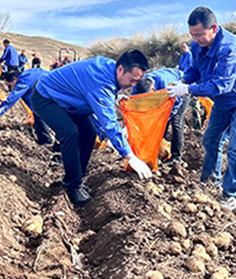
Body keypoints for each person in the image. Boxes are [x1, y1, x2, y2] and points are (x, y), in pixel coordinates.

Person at [166, 6, 236, 210]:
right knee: (211, 139)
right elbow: (196, 70)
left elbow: (221, 85)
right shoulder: (197, 46)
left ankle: (231, 195)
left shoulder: (229, 48)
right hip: (224, 98)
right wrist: (183, 80)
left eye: (200, 34)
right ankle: (210, 182)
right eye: (192, 34)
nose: (196, 39)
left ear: (213, 28)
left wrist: (188, 89)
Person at [31, 50, 153, 206]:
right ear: (120, 69)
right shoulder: (101, 82)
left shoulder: (111, 69)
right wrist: (129, 156)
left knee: (89, 134)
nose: (133, 85)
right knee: (69, 133)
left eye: (137, 81)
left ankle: (77, 178)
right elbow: (109, 123)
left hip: (70, 100)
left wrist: (114, 98)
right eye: (132, 80)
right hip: (46, 97)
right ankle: (73, 185)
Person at [132, 68, 188, 163]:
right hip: (163, 93)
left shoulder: (166, 85)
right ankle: (160, 152)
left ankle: (176, 157)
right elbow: (134, 105)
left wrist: (164, 118)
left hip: (180, 90)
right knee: (159, 123)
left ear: (153, 90)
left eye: (147, 98)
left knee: (176, 122)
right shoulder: (138, 87)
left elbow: (177, 104)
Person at [0, 68, 54, 146]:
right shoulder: (29, 72)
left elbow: (13, 97)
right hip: (53, 89)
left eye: (10, 85)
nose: (12, 88)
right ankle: (48, 140)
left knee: (40, 114)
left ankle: (46, 141)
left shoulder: (23, 81)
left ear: (15, 79)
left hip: (49, 95)